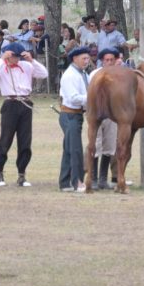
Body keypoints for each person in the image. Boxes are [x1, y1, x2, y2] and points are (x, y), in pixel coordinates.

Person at [0, 42, 48, 187]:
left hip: (25, 103)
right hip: (10, 103)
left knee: (25, 141)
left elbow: (43, 74)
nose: (16, 59)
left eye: (18, 56)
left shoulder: (26, 66)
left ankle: (22, 175)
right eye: (14, 56)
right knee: (6, 139)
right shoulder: (0, 66)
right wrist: (2, 59)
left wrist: (32, 60)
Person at [58, 46, 90, 193]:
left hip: (76, 115)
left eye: (88, 58)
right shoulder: (70, 75)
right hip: (69, 114)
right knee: (75, 149)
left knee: (69, 148)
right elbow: (73, 98)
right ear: (75, 59)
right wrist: (93, 97)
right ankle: (78, 182)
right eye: (84, 58)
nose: (87, 61)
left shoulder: (83, 74)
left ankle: (65, 182)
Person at [88, 48, 119, 189]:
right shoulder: (94, 74)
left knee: (109, 146)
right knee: (96, 144)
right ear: (102, 61)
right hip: (97, 114)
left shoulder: (119, 76)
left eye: (112, 59)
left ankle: (102, 179)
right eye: (107, 60)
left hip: (112, 114)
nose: (109, 62)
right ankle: (93, 178)